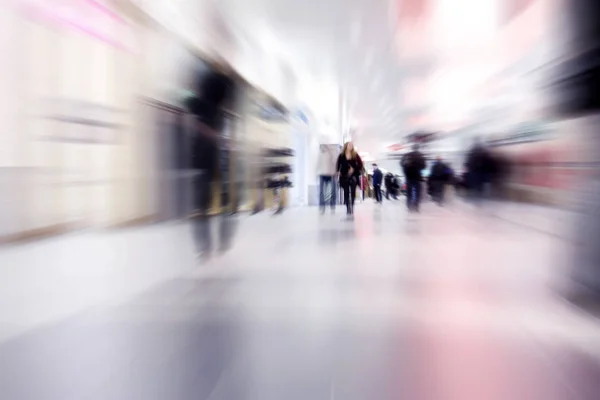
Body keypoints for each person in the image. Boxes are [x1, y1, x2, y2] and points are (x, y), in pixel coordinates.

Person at [185, 58, 238, 263]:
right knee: (211, 202)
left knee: (207, 203)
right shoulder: (214, 110)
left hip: (208, 159)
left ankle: (208, 245)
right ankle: (211, 244)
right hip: (210, 159)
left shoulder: (207, 108)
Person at [336, 142, 363, 217]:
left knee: (353, 192)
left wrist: (354, 169)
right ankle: (348, 207)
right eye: (349, 145)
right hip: (344, 176)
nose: (350, 146)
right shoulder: (341, 155)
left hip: (353, 176)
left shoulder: (355, 155)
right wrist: (338, 172)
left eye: (351, 145)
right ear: (346, 146)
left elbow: (360, 164)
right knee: (346, 192)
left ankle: (352, 206)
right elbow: (338, 164)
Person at [401, 144, 427, 212]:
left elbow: (401, 163)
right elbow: (424, 166)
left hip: (408, 176)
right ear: (418, 148)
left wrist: (406, 171)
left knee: (409, 192)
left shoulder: (407, 155)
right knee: (418, 192)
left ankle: (409, 206)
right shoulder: (420, 156)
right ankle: (416, 206)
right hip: (417, 177)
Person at [317, 143, 337, 214]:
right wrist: (317, 172)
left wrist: (330, 152)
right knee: (321, 192)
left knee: (333, 191)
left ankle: (332, 205)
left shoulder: (332, 152)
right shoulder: (320, 154)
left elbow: (335, 161)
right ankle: (322, 207)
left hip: (331, 174)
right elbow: (318, 163)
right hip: (322, 174)